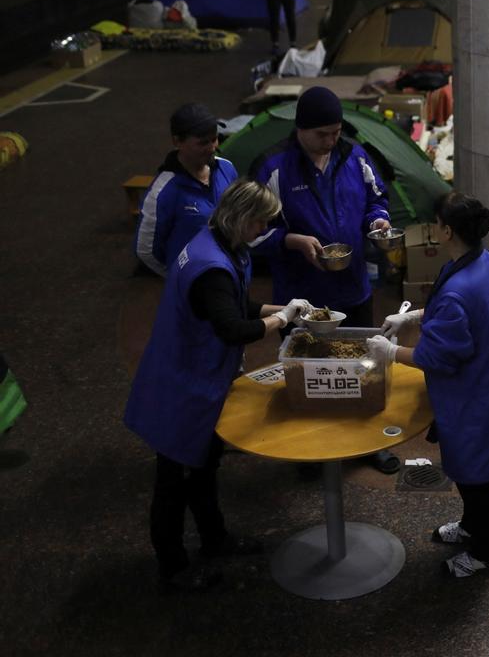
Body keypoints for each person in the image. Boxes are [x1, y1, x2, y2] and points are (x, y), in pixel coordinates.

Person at [124, 179, 312, 592]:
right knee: (172, 480)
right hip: (182, 384)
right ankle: (172, 568)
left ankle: (215, 539)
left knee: (205, 466)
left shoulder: (217, 242)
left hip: (195, 375)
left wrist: (286, 308)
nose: (264, 230)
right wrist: (281, 321)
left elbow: (234, 302)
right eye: (260, 222)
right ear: (242, 217)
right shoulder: (211, 265)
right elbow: (232, 327)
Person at [366, 192, 489, 579]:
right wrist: (416, 317)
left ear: (447, 230)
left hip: (478, 400)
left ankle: (487, 554)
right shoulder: (479, 262)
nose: (433, 227)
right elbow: (458, 312)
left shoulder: (461, 285)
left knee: (480, 478)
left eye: (436, 222)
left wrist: (389, 351)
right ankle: (471, 527)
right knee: (470, 473)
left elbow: (436, 357)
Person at [251, 86, 399, 474]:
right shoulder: (273, 167)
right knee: (309, 371)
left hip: (351, 286)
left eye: (336, 132)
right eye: (323, 134)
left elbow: (376, 200)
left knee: (363, 366)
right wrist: (291, 240)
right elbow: (252, 232)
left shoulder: (354, 155)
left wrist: (377, 222)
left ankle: (367, 444)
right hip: (302, 295)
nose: (331, 141)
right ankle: (313, 449)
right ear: (301, 129)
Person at [135, 103, 237, 276]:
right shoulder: (163, 191)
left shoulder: (226, 168)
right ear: (177, 142)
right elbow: (145, 249)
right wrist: (181, 278)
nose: (212, 147)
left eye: (214, 139)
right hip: (194, 288)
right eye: (202, 143)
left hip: (232, 273)